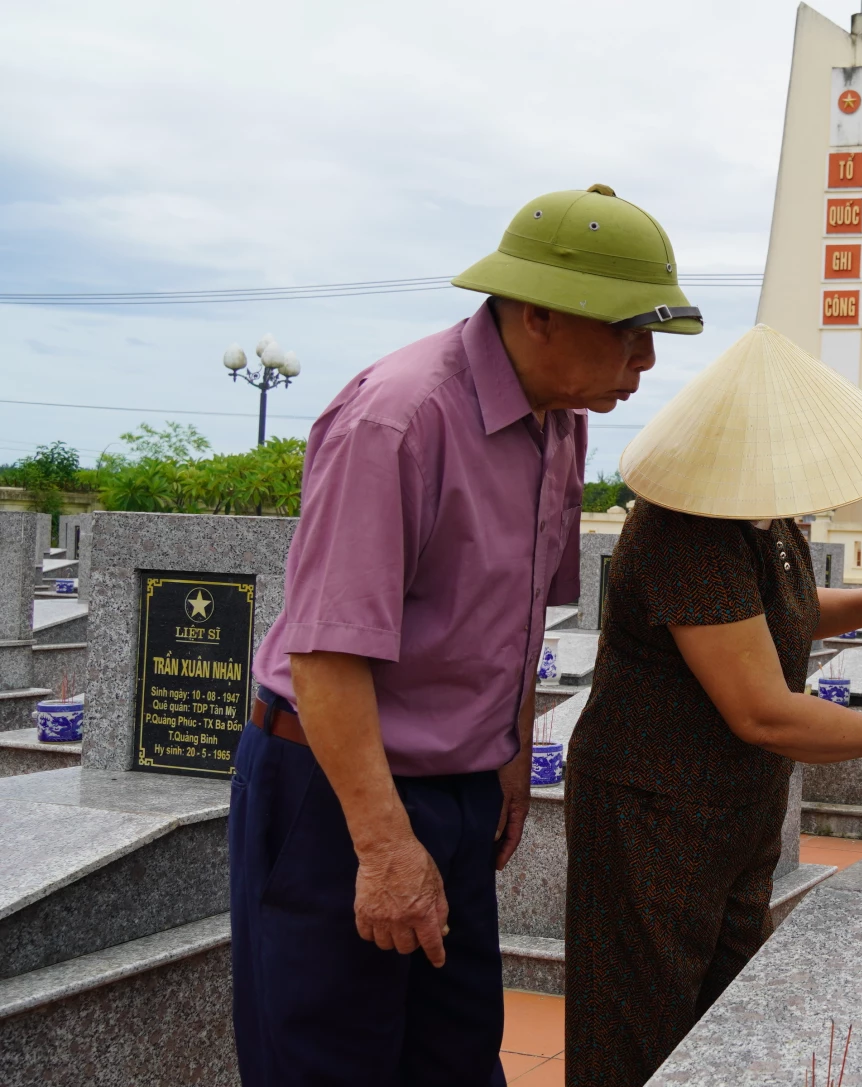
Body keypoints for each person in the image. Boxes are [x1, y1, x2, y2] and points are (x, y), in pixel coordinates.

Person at [233, 185, 706, 1085]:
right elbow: (326, 653)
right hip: (341, 790)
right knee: (331, 1060)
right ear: (539, 317)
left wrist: (508, 753)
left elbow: (515, 614)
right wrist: (382, 844)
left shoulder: (559, 426)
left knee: (453, 1057)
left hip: (456, 789)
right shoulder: (399, 419)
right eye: (628, 331)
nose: (645, 359)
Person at [563, 324, 862, 1084]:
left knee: (724, 1020)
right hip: (652, 818)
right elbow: (762, 709)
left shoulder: (764, 520)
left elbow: (779, 613)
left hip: (731, 812)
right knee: (644, 1030)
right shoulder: (684, 531)